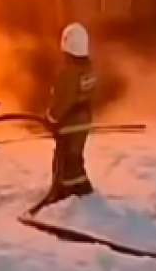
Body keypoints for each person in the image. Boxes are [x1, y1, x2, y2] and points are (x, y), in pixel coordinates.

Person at [38, 22, 97, 210]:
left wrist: (51, 118)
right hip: (84, 119)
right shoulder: (89, 70)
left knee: (63, 157)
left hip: (69, 122)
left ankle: (61, 190)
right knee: (75, 155)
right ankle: (80, 186)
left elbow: (62, 100)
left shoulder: (68, 74)